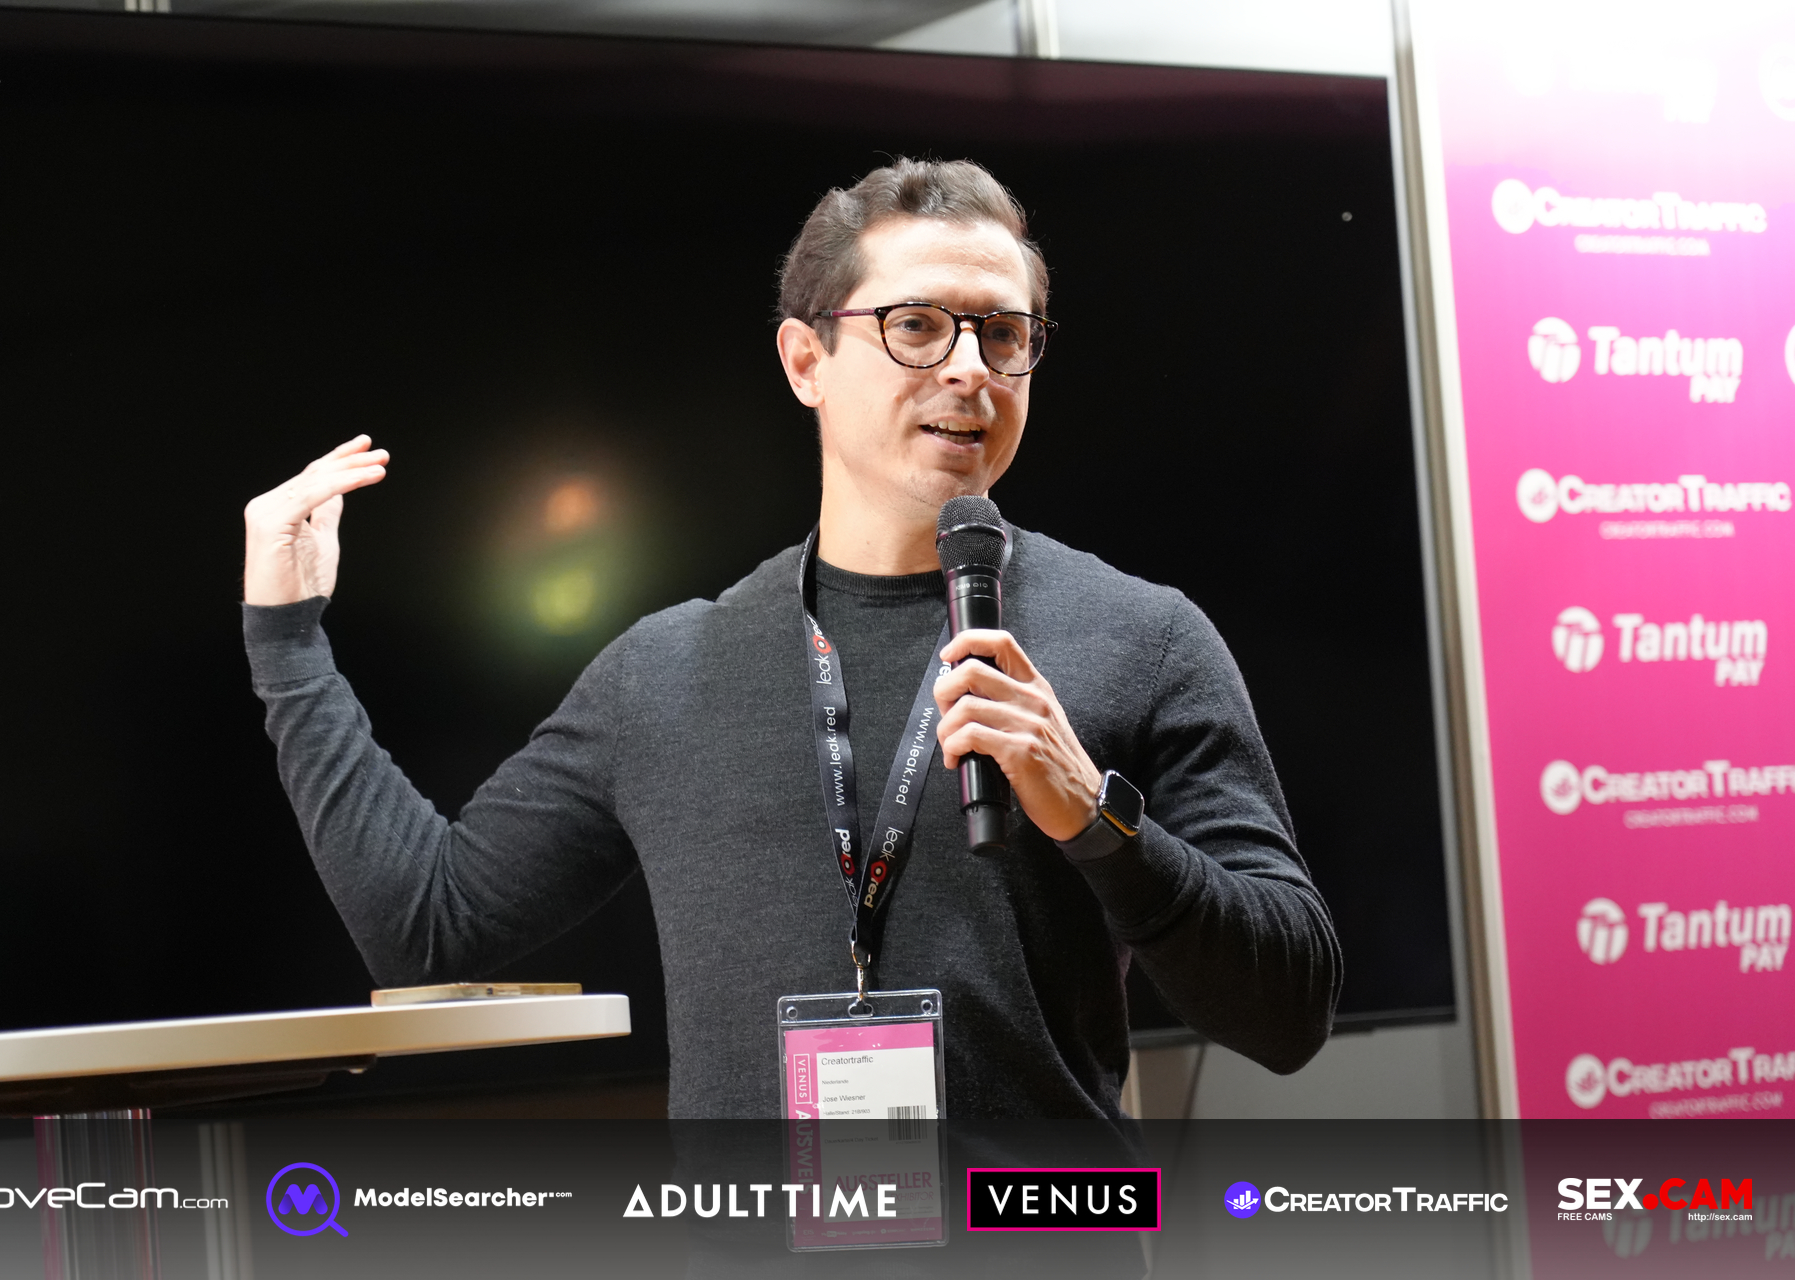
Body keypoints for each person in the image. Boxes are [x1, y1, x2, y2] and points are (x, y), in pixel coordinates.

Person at [241, 158, 1340, 1119]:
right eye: (918, 324)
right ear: (805, 360)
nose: (970, 367)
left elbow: (1292, 1012)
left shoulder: (1145, 637)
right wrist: (288, 646)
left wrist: (1095, 818)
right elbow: (429, 925)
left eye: (1004, 334)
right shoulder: (666, 673)